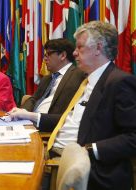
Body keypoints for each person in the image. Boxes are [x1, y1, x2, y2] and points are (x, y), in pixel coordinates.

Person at [45, 21, 136, 190]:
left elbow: (133, 137)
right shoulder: (86, 80)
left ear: (98, 48)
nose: (74, 53)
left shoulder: (120, 82)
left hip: (92, 171)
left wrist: (89, 150)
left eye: (80, 47)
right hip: (54, 153)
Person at [9, 38, 86, 131]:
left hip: (51, 128)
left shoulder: (79, 75)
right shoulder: (47, 78)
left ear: (63, 55)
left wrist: (31, 116)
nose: (44, 59)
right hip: (29, 124)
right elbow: (33, 99)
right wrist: (23, 111)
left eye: (48, 54)